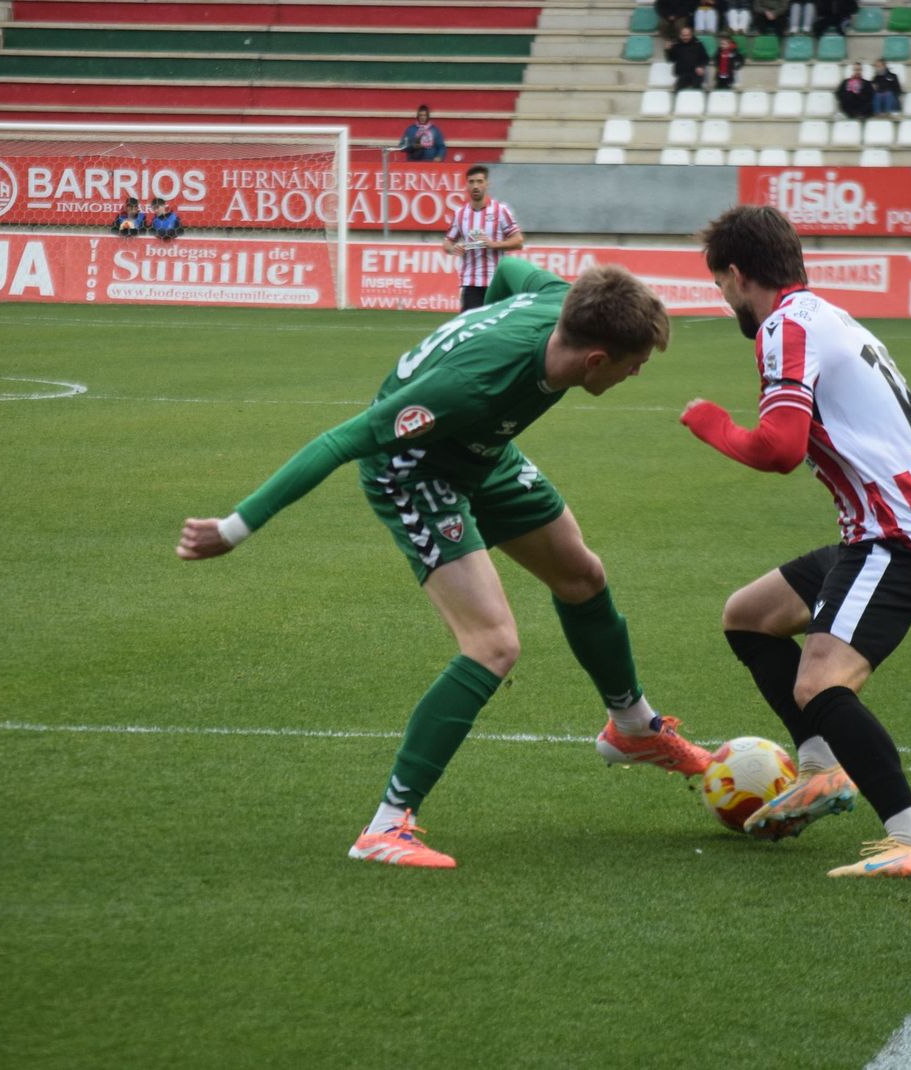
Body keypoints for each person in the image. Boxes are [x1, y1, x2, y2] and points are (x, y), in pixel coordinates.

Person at [175, 259, 712, 869]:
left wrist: (469, 323)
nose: (638, 371)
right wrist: (234, 527)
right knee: (492, 644)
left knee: (581, 576)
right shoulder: (467, 389)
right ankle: (385, 825)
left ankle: (632, 728)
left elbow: (507, 269)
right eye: (635, 362)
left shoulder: (562, 298)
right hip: (417, 474)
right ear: (595, 360)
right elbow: (341, 441)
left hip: (483, 451)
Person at [680, 204, 911, 880]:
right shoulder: (830, 316)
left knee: (820, 683)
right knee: (748, 616)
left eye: (721, 286)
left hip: (895, 539)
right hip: (892, 530)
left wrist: (710, 424)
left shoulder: (784, 325)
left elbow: (779, 450)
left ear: (740, 274)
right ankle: (820, 768)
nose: (726, 302)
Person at [442, 165, 524, 312]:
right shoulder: (460, 214)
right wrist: (454, 248)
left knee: (496, 327)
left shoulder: (500, 211)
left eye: (479, 182)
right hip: (471, 283)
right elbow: (447, 242)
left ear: (487, 184)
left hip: (496, 283)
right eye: (471, 182)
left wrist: (493, 244)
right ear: (466, 185)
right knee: (471, 328)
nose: (475, 186)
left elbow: (518, 241)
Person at [667, 24, 709, 91]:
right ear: (680, 35)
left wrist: (701, 66)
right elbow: (671, 59)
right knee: (678, 90)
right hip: (682, 73)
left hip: (696, 73)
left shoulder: (698, 44)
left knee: (696, 90)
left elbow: (705, 58)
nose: (685, 37)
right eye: (683, 35)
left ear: (691, 35)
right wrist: (668, 50)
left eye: (687, 35)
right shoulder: (676, 44)